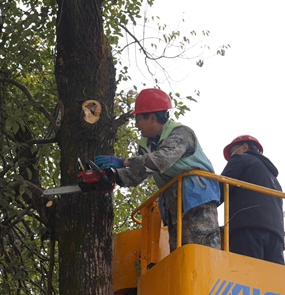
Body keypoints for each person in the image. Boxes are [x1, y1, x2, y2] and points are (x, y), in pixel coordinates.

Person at [95, 88, 221, 252]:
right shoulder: (148, 144)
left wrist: (123, 161)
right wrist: (112, 176)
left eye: (138, 119)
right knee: (179, 255)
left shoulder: (180, 133)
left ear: (152, 118)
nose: (136, 125)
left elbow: (162, 159)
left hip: (197, 200)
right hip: (174, 204)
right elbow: (137, 172)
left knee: (202, 250)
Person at [220, 135, 285, 265]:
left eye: (233, 152)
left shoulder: (241, 158)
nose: (231, 157)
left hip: (248, 227)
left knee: (246, 274)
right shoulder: (273, 179)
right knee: (272, 280)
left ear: (245, 147)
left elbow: (220, 188)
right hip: (276, 235)